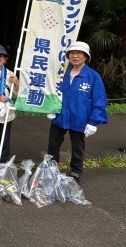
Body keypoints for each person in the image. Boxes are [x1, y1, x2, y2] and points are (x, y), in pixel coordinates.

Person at [47, 41, 108, 183]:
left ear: (86, 57)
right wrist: (49, 107)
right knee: (53, 145)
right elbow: (50, 91)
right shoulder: (60, 74)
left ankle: (75, 171)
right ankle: (50, 170)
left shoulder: (93, 77)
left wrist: (93, 122)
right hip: (60, 116)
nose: (75, 56)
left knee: (77, 147)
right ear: (68, 56)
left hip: (80, 118)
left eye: (79, 53)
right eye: (72, 53)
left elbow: (99, 100)